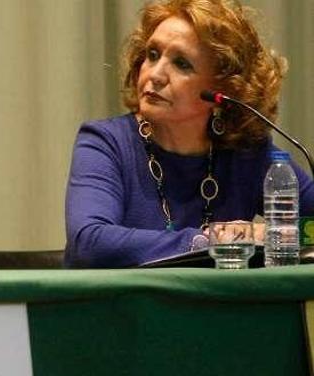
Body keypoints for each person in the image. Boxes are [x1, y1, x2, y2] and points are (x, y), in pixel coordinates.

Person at [64, 0, 314, 268]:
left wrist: (272, 234)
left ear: (223, 90)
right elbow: (89, 243)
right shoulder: (106, 143)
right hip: (124, 309)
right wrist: (208, 243)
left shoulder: (247, 153)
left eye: (181, 64)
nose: (156, 74)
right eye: (152, 54)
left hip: (219, 308)